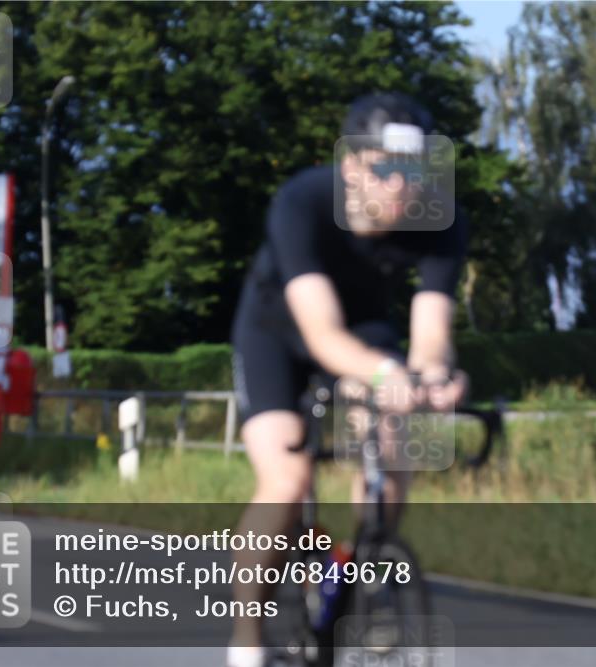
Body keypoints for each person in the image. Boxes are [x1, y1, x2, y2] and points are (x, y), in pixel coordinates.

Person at [227, 92, 468, 667]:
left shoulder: (442, 219)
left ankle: (371, 572)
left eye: (414, 169)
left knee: (395, 435)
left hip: (363, 329)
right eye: (386, 168)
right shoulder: (302, 204)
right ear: (351, 167)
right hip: (278, 332)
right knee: (286, 481)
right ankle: (246, 638)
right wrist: (390, 371)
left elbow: (431, 329)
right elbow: (320, 333)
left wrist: (434, 376)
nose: (402, 187)